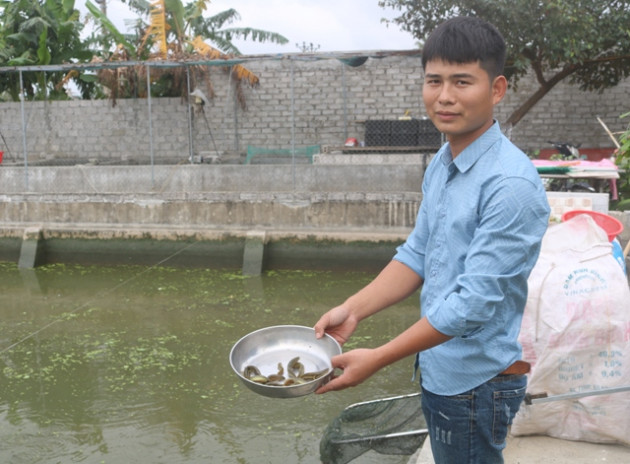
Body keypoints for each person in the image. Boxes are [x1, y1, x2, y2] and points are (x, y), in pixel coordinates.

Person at [313, 16, 551, 464]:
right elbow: (419, 252)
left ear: (496, 89)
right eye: (434, 81)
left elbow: (471, 304)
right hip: (440, 368)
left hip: (476, 383)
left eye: (462, 81)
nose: (444, 96)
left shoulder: (510, 184)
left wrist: (379, 357)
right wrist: (354, 309)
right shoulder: (444, 160)